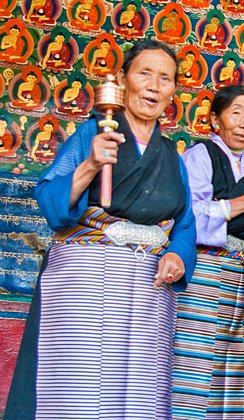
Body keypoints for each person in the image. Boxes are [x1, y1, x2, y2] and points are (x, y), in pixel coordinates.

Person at [5, 39, 196, 419]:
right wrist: (91, 163)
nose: (155, 86)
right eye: (145, 74)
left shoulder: (173, 155)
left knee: (138, 388)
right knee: (78, 384)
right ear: (124, 79)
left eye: (166, 79)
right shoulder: (93, 133)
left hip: (148, 288)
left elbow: (186, 224)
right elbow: (51, 204)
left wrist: (177, 254)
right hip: (86, 282)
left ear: (174, 90)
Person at [171, 85, 244, 419]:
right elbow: (186, 216)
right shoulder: (201, 155)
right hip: (204, 272)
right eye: (236, 113)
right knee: (197, 358)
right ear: (216, 119)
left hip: (239, 275)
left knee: (233, 362)